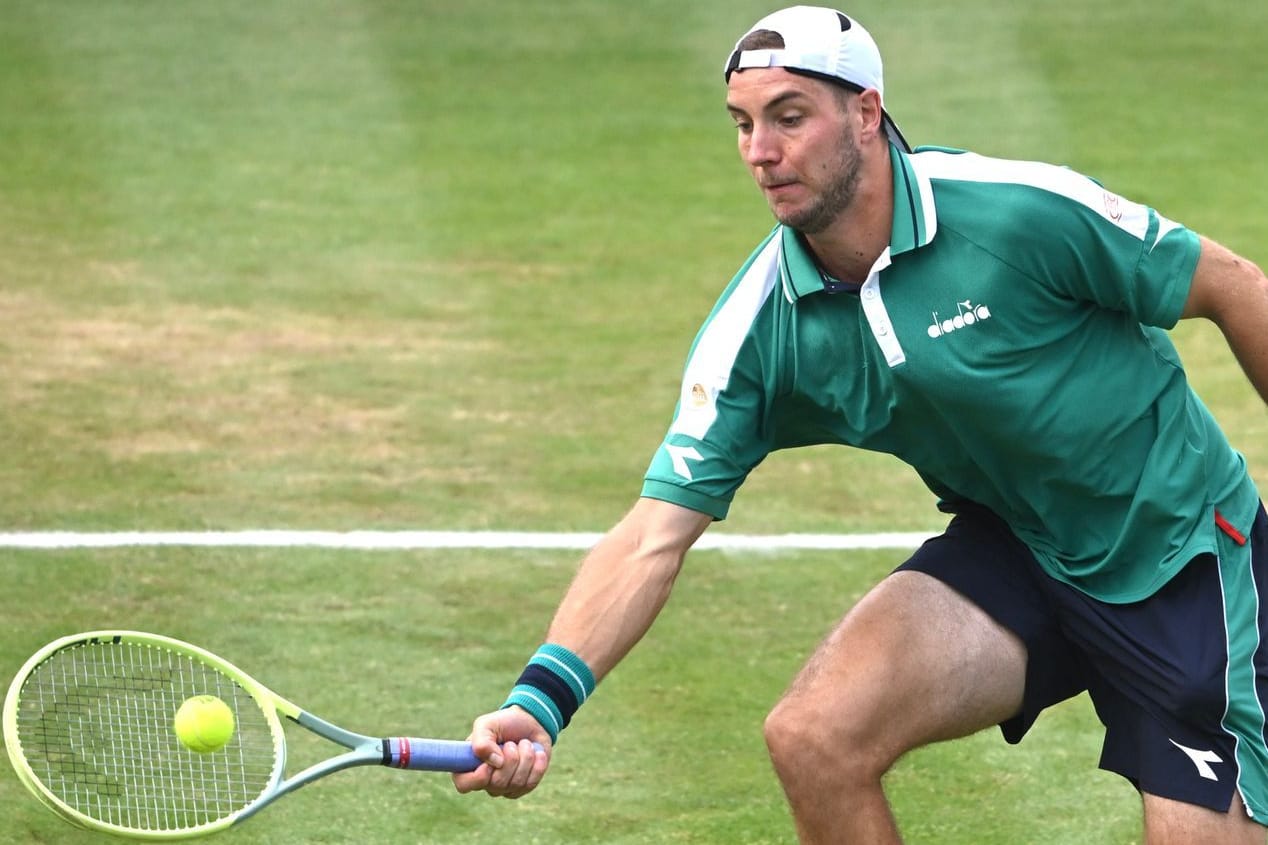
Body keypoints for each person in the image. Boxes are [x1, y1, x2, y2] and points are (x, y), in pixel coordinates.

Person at [453, 6, 1268, 842]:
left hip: (1177, 551)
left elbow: (1232, 283)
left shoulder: (1015, 213)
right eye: (742, 124)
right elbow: (652, 535)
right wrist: (538, 704)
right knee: (814, 736)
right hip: (1021, 547)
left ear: (867, 113)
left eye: (789, 117)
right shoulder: (763, 328)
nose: (760, 153)